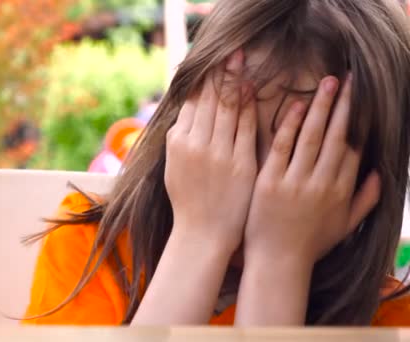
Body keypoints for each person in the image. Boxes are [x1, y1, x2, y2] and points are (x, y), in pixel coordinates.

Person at [23, 0, 410, 326]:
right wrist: (199, 237)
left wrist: (279, 264)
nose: (258, 187)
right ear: (181, 120)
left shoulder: (390, 319)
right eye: (227, 137)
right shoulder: (92, 254)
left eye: (302, 162)